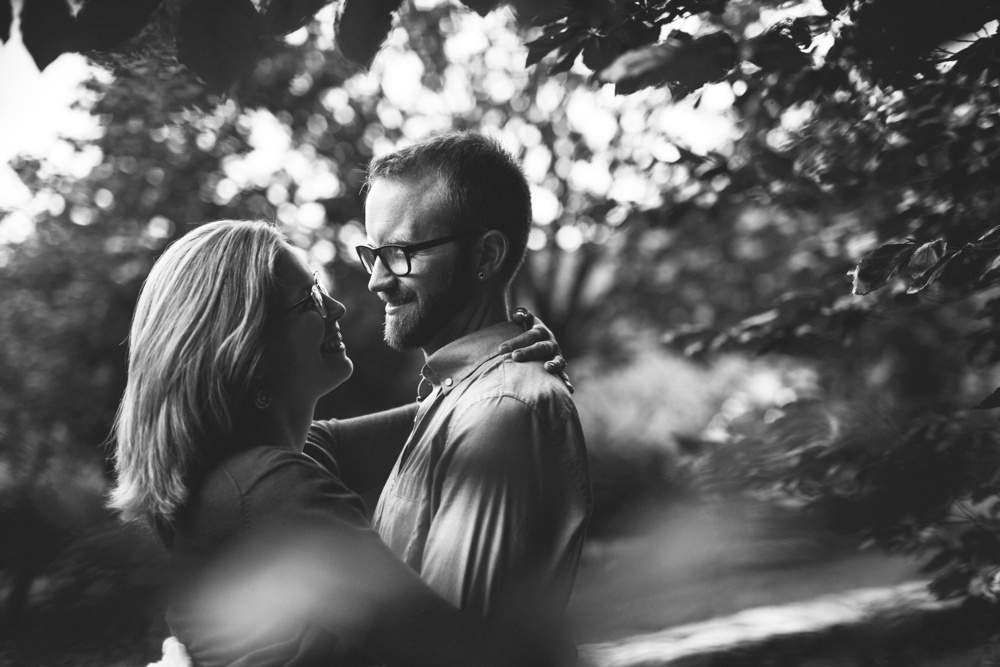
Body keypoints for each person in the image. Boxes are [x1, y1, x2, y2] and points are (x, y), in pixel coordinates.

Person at [109, 220, 568, 667]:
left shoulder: (269, 466)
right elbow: (455, 650)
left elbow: (454, 413)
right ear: (247, 345)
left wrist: (512, 353)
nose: (336, 307)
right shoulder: (268, 486)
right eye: (308, 298)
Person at [309, 132, 591, 623]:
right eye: (373, 254)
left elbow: (453, 648)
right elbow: (307, 447)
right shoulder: (465, 396)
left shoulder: (500, 412)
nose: (376, 279)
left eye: (400, 253)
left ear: (485, 257)